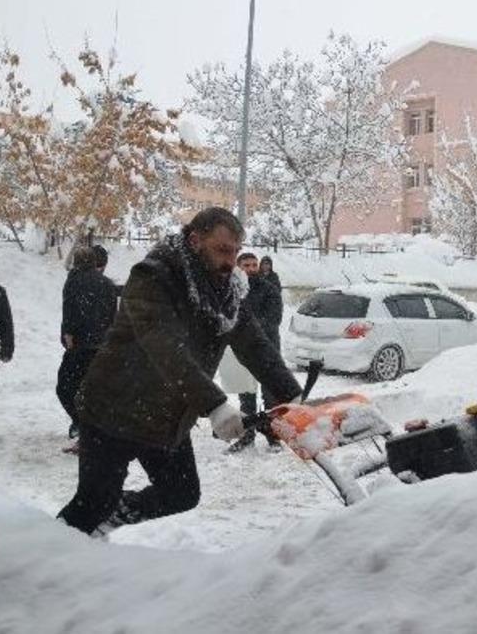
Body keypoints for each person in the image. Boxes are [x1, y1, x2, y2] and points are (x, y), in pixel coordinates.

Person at [58, 208, 303, 536]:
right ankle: (49, 554)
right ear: (195, 240)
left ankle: (110, 518)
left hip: (164, 418)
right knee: (93, 502)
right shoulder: (154, 277)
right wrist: (214, 404)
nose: (230, 261)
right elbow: (164, 347)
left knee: (181, 494)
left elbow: (253, 345)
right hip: (113, 411)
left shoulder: (226, 290)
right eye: (222, 250)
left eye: (234, 250)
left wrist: (293, 395)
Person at [222, 251, 284, 452]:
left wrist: (248, 328)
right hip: (242, 351)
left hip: (267, 349)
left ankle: (272, 436)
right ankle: (247, 435)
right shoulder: (231, 290)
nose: (250, 269)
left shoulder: (269, 289)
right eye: (246, 265)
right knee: (246, 396)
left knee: (269, 397)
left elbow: (273, 319)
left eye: (253, 265)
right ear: (238, 267)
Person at [57, 246, 119, 448]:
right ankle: (92, 432)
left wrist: (67, 335)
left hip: (80, 345)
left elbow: (70, 310)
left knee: (65, 388)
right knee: (93, 391)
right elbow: (113, 316)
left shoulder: (74, 280)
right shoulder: (107, 284)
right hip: (102, 346)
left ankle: (85, 428)